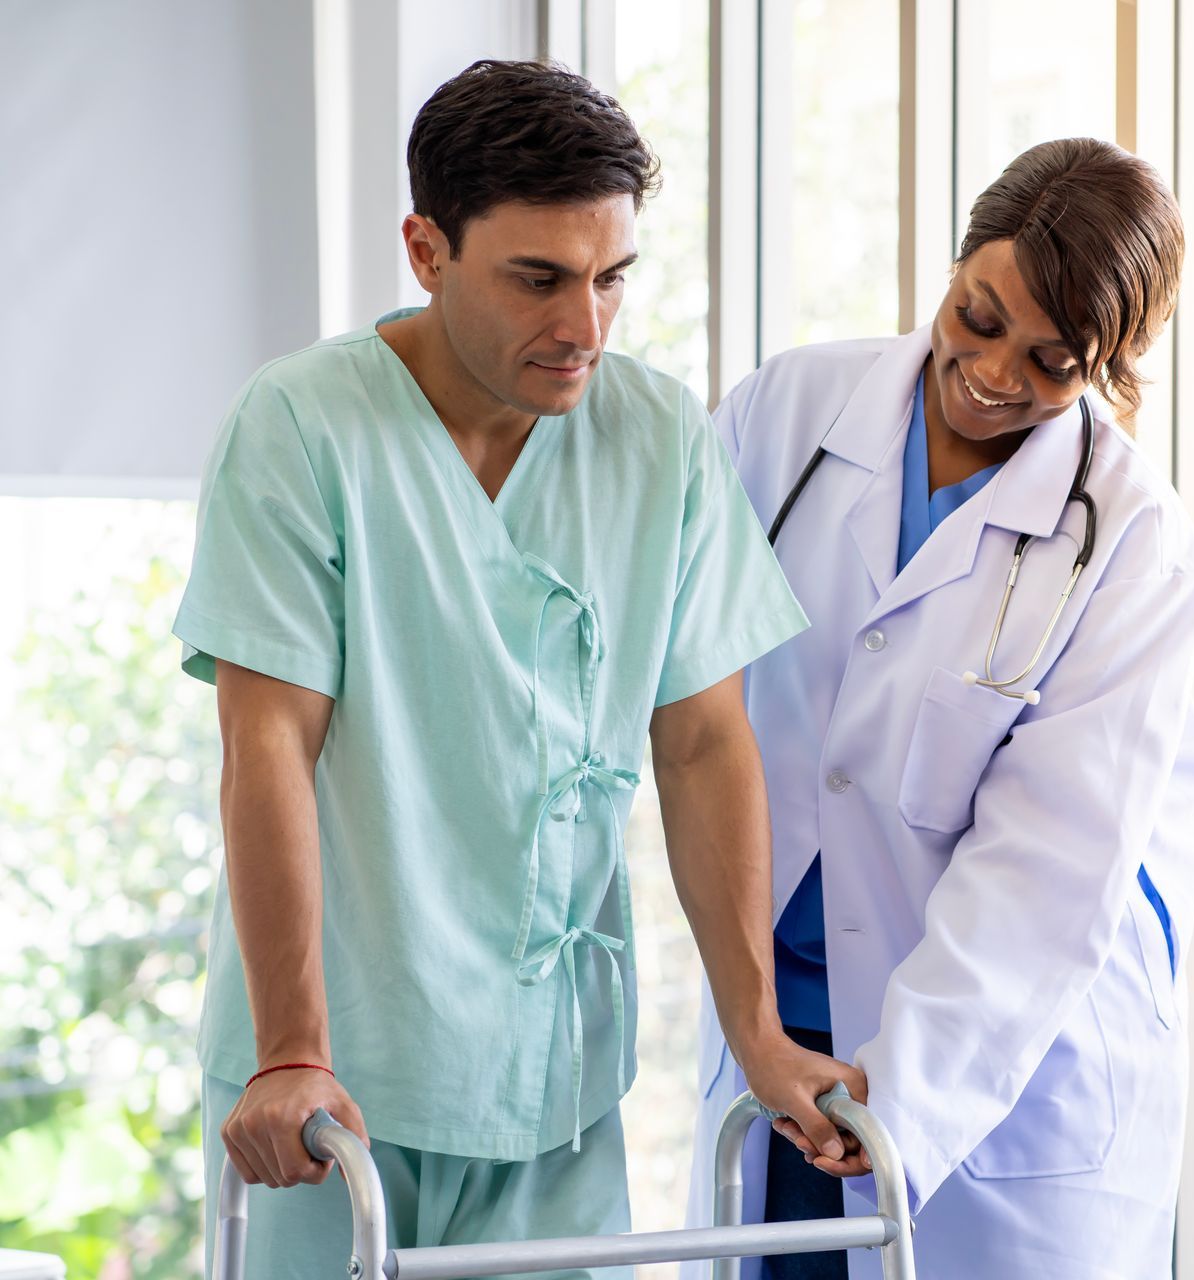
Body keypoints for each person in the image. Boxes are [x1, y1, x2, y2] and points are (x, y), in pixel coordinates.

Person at [176, 59, 859, 1278]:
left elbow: (703, 743)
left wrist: (757, 1031)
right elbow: (268, 741)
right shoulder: (302, 427)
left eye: (611, 278)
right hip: (332, 1089)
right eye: (539, 279)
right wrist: (291, 1047)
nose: (583, 326)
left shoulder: (657, 437)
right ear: (427, 250)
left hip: (555, 1082)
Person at [684, 138, 1194, 1279]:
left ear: (1110, 366)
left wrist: (905, 1102)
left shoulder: (1130, 541)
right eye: (977, 315)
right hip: (782, 1050)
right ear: (959, 263)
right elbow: (686, 692)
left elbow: (1049, 866)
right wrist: (758, 1027)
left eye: (1053, 361)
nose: (993, 372)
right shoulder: (786, 414)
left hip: (999, 1093)